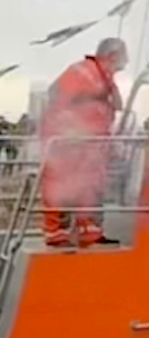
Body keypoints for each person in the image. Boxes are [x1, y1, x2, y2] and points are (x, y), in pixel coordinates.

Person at [40, 38, 126, 247]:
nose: (125, 63)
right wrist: (68, 129)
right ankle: (55, 232)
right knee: (59, 184)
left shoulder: (104, 77)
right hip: (68, 140)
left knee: (89, 185)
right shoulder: (82, 72)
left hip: (91, 143)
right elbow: (56, 97)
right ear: (112, 56)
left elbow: (113, 105)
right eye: (123, 57)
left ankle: (89, 230)